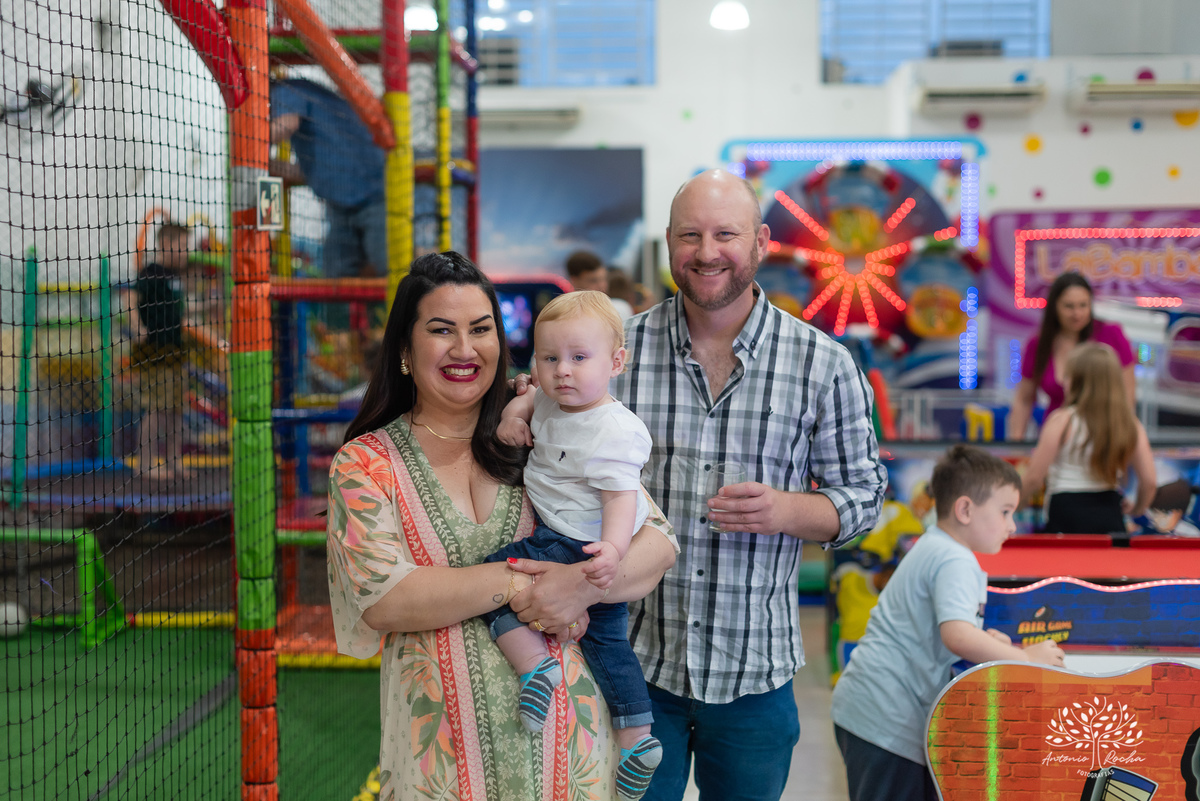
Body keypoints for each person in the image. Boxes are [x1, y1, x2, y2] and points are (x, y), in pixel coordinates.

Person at [325, 251, 678, 800]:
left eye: (481, 329)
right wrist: (523, 586)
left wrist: (580, 585)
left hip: (572, 763)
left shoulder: (552, 428)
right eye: (442, 330)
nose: (465, 349)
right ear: (403, 350)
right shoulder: (367, 463)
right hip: (442, 769)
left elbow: (657, 542)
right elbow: (383, 598)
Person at [612, 169, 888, 801]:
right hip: (630, 668)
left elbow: (865, 496)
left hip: (754, 676)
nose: (707, 252)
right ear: (669, 243)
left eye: (725, 234)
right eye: (691, 235)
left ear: (760, 242)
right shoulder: (617, 352)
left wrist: (789, 509)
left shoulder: (823, 364)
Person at [487, 290, 662, 799]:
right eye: (549, 358)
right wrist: (510, 417)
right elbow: (527, 396)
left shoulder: (613, 429)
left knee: (497, 580)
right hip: (564, 537)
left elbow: (621, 500)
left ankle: (534, 667)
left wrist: (611, 551)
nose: (562, 371)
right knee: (610, 648)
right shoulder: (547, 396)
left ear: (616, 362)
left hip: (579, 545)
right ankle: (638, 741)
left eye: (579, 358)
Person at [831, 445, 1066, 801]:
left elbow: (949, 628)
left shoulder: (936, 545)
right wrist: (1028, 659)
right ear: (966, 509)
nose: (1012, 525)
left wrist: (991, 642)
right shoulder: (955, 559)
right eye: (1005, 512)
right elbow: (956, 635)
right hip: (886, 717)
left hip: (873, 709)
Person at [1021, 343, 1156, 534]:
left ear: (1078, 382)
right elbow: (1149, 482)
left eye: (1067, 376)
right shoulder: (1129, 423)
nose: (1062, 381)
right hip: (1110, 512)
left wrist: (1011, 508)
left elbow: (1034, 477)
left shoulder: (1062, 420)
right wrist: (1138, 509)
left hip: (1065, 511)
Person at [269, 78, 386, 278]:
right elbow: (316, 171)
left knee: (388, 271)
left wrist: (245, 139)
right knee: (337, 274)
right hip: (341, 204)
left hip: (375, 197)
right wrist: (270, 165)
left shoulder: (284, 90)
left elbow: (283, 127)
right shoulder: (313, 100)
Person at [1008, 272, 1135, 440]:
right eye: (1069, 306)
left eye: (1083, 305)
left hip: (1103, 440)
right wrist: (1015, 447)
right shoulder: (1038, 344)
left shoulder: (1111, 335)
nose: (1077, 314)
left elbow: (1127, 397)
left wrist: (1123, 439)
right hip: (1055, 439)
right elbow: (1023, 400)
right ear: (1055, 307)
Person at [131, 222, 193, 480]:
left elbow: (179, 311)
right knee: (156, 408)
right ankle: (145, 463)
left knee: (177, 408)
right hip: (154, 351)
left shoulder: (176, 276)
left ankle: (174, 459)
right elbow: (129, 298)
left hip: (176, 352)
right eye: (182, 246)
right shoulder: (151, 272)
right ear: (166, 244)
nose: (186, 252)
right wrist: (137, 327)